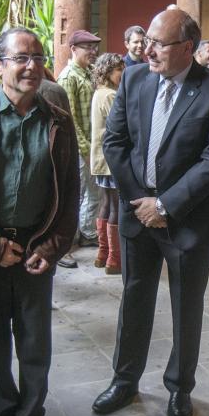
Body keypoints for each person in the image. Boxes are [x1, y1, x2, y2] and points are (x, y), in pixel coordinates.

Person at [92, 9, 209, 416]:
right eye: (148, 41)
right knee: (134, 298)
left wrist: (167, 205)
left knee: (185, 306)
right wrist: (141, 201)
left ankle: (179, 388)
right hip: (139, 214)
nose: (147, 49)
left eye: (159, 43)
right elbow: (115, 142)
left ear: (187, 48)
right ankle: (124, 381)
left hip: (188, 220)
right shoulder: (135, 79)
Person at [0, 27, 79, 416]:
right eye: (21, 58)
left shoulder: (58, 121)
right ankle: (1, 413)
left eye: (38, 56)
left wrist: (50, 249)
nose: (32, 66)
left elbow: (70, 193)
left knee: (35, 343)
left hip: (35, 251)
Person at [57, 29, 101, 268]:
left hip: (92, 147)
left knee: (94, 194)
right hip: (79, 148)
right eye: (88, 48)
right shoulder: (68, 77)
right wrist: (84, 149)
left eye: (94, 48)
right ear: (74, 50)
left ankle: (86, 232)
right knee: (75, 197)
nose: (93, 52)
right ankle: (64, 246)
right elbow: (70, 119)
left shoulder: (88, 73)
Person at [90, 53, 125, 274]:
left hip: (100, 159)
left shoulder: (99, 93)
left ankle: (102, 254)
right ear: (108, 71)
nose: (122, 74)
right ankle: (114, 258)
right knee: (115, 206)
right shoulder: (110, 95)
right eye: (119, 69)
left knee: (105, 203)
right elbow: (120, 126)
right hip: (111, 160)